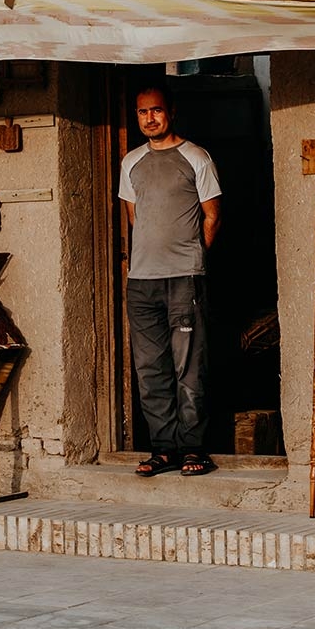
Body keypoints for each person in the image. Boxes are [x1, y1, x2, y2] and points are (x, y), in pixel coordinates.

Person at [118, 86, 222, 477]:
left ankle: (193, 449)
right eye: (142, 112)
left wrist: (193, 259)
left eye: (156, 111)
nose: (149, 118)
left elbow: (212, 216)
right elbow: (134, 218)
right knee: (150, 368)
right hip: (141, 282)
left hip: (184, 279)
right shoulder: (131, 162)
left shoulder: (196, 158)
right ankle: (163, 449)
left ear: (171, 112)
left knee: (189, 367)